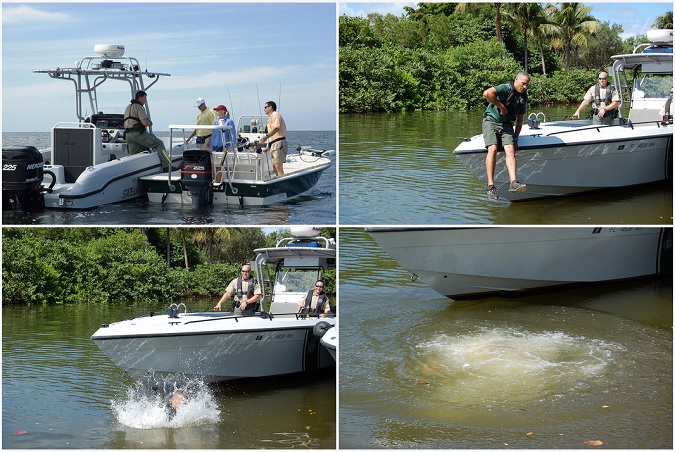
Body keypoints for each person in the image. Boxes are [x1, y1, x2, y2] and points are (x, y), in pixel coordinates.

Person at [482, 71, 530, 200]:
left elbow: (520, 120)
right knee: (493, 148)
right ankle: (491, 186)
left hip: (507, 124)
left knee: (510, 149)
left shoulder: (523, 98)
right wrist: (501, 106)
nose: (525, 87)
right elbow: (487, 93)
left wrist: (515, 139)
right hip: (491, 121)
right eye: (523, 84)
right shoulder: (506, 88)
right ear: (516, 80)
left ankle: (513, 183)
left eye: (527, 85)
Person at [123, 90, 172, 171]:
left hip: (128, 135)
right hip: (137, 134)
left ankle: (134, 170)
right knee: (159, 143)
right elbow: (145, 122)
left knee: (134, 155)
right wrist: (150, 123)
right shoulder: (139, 107)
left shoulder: (128, 107)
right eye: (144, 98)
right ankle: (167, 166)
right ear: (140, 97)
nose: (145, 100)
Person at [259, 101, 287, 176]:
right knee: (274, 166)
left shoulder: (275, 115)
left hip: (278, 143)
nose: (264, 109)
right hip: (274, 144)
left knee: (278, 166)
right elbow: (273, 135)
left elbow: (276, 128)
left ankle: (281, 184)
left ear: (270, 107)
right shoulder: (270, 118)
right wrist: (269, 146)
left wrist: (266, 136)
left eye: (265, 107)